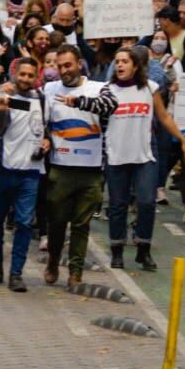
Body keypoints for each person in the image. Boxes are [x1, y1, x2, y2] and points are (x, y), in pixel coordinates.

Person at [65, 46, 185, 272]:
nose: (120, 65)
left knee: (146, 202)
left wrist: (182, 139)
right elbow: (91, 106)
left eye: (125, 61)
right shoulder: (107, 89)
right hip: (116, 156)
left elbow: (163, 116)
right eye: (117, 61)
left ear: (135, 66)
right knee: (117, 205)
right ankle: (117, 250)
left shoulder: (149, 88)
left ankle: (143, 249)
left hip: (144, 156)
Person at [41, 44, 117, 288]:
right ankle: (53, 260)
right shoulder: (49, 89)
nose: (64, 70)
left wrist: (80, 102)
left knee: (81, 225)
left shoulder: (98, 88)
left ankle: (75, 272)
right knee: (57, 223)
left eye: (68, 65)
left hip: (91, 169)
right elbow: (36, 116)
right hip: (60, 168)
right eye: (59, 66)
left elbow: (110, 106)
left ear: (79, 63)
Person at [0, 57, 49, 292]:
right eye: (23, 74)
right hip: (3, 168)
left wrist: (48, 140)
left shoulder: (41, 98)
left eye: (31, 75)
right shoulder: (3, 94)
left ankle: (16, 272)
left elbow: (47, 126)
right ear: (15, 74)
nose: (26, 79)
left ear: (36, 76)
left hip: (30, 172)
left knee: (24, 222)